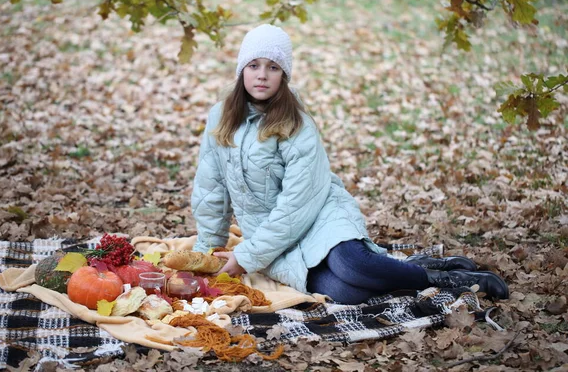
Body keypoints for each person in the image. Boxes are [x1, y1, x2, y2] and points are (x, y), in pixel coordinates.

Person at [191, 24, 509, 304]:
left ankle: (444, 281)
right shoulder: (220, 118)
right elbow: (212, 188)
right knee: (347, 294)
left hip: (317, 215)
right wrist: (206, 251)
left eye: (273, 67)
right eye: (254, 65)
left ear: (284, 75)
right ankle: (418, 265)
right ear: (241, 69)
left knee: (355, 267)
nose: (262, 75)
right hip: (272, 239)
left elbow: (298, 204)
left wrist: (247, 255)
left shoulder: (295, 122)